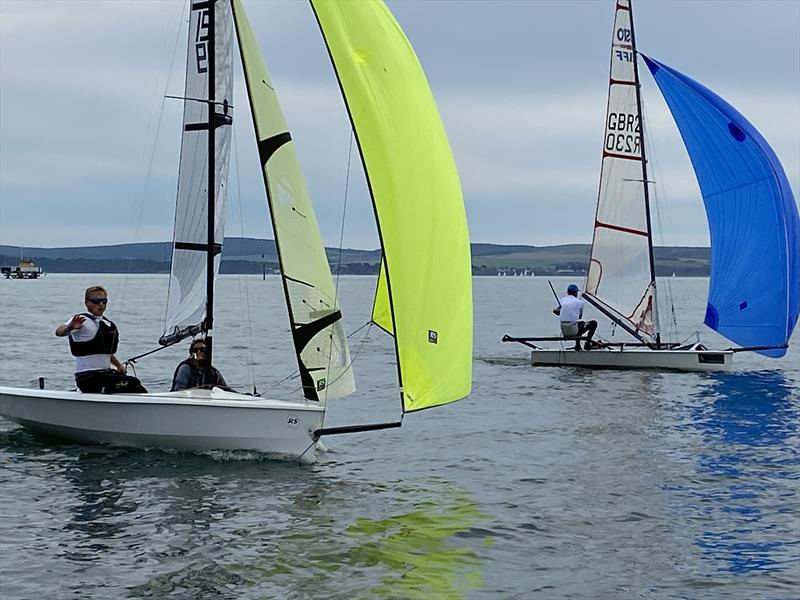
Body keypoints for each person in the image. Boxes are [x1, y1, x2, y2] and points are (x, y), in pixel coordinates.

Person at [56, 285, 147, 393]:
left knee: (136, 386)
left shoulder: (106, 323)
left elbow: (103, 351)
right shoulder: (81, 320)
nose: (101, 304)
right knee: (133, 383)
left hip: (104, 374)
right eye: (96, 301)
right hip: (88, 378)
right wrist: (71, 327)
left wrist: (118, 365)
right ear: (87, 303)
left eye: (104, 301)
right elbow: (59, 332)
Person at [552, 283, 598, 351]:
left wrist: (563, 314)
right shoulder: (580, 302)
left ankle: (578, 346)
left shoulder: (562, 301)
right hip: (574, 330)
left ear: (567, 292)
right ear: (575, 292)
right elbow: (579, 317)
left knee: (580, 323)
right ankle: (587, 344)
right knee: (594, 323)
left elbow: (555, 311)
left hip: (564, 330)